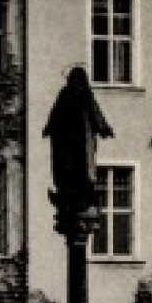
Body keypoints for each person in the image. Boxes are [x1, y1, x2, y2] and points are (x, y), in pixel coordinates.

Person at [42, 66, 114, 206]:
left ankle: (81, 190)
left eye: (78, 79)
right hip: (66, 139)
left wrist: (103, 128)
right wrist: (49, 127)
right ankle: (69, 189)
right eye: (74, 79)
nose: (76, 82)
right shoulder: (65, 94)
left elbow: (95, 113)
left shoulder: (86, 95)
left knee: (82, 165)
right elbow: (55, 113)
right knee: (66, 165)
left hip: (81, 139)